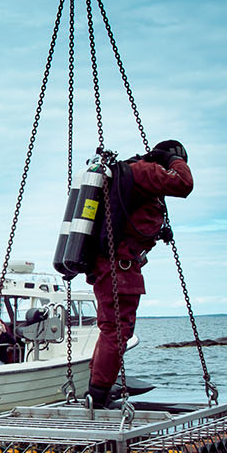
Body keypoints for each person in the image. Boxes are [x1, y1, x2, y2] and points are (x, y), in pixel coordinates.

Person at [86, 139, 193, 407]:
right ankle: (97, 396)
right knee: (117, 329)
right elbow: (184, 184)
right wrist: (173, 161)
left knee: (112, 328)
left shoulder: (132, 174)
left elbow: (132, 223)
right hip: (118, 265)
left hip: (110, 263)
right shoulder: (147, 171)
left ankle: (98, 391)